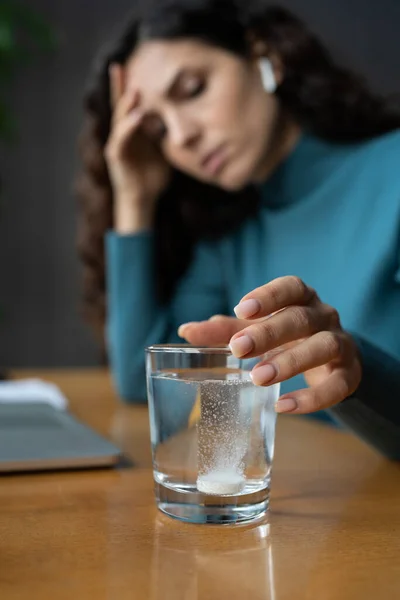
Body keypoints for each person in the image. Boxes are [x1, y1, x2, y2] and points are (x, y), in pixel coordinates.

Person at [77, 0, 400, 459]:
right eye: (156, 129)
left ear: (265, 56)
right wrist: (134, 199)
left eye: (192, 89)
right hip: (307, 514)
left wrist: (357, 369)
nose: (181, 136)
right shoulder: (230, 237)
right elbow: (143, 379)